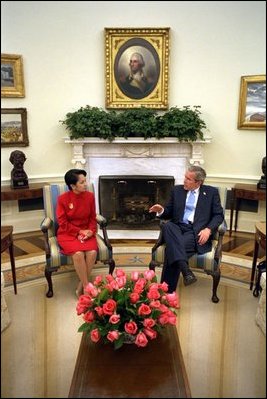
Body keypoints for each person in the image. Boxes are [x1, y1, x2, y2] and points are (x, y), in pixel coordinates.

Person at [149, 165, 224, 293]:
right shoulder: (177, 190)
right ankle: (186, 271)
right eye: (185, 177)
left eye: (188, 179)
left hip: (195, 231)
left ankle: (166, 292)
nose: (184, 180)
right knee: (167, 225)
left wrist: (208, 230)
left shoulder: (211, 193)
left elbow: (218, 215)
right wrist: (161, 210)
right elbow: (169, 212)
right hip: (177, 227)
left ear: (198, 182)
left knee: (171, 250)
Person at [56, 169, 98, 297]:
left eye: (85, 181)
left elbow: (92, 217)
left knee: (92, 252)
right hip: (68, 233)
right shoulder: (63, 199)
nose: (86, 184)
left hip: (87, 232)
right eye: (82, 182)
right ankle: (87, 287)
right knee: (78, 254)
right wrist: (79, 231)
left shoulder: (90, 196)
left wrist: (91, 231)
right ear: (73, 186)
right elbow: (62, 222)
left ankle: (81, 285)